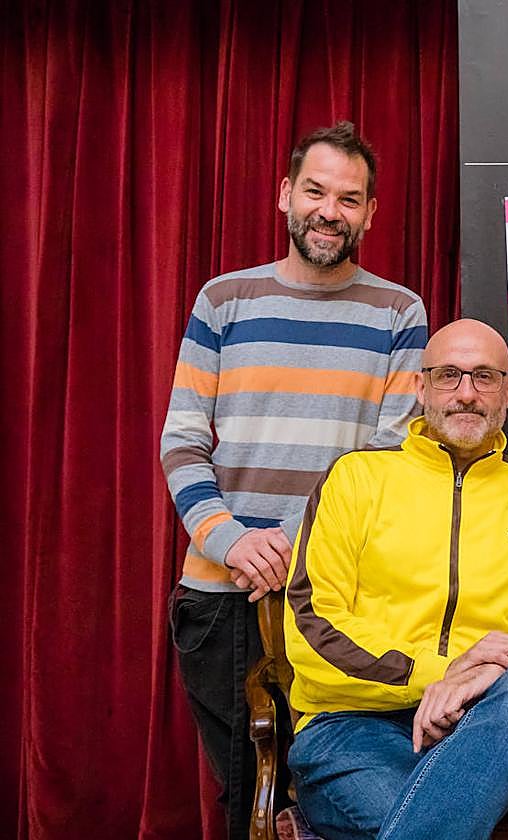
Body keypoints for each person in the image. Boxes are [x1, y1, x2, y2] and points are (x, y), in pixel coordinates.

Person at [160, 121, 427, 840]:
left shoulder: (400, 313)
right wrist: (231, 541)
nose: (328, 211)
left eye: (349, 198)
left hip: (340, 601)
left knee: (334, 792)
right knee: (246, 797)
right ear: (285, 195)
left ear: (370, 213)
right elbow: (182, 443)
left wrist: (298, 545)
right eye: (315, 191)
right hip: (224, 595)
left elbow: (391, 461)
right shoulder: (224, 300)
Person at [283, 318, 508, 840]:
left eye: (485, 377)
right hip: (351, 728)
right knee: (433, 822)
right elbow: (312, 625)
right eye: (449, 375)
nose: (466, 394)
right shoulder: (355, 480)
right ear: (421, 386)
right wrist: (442, 674)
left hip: (485, 732)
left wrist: (479, 683)